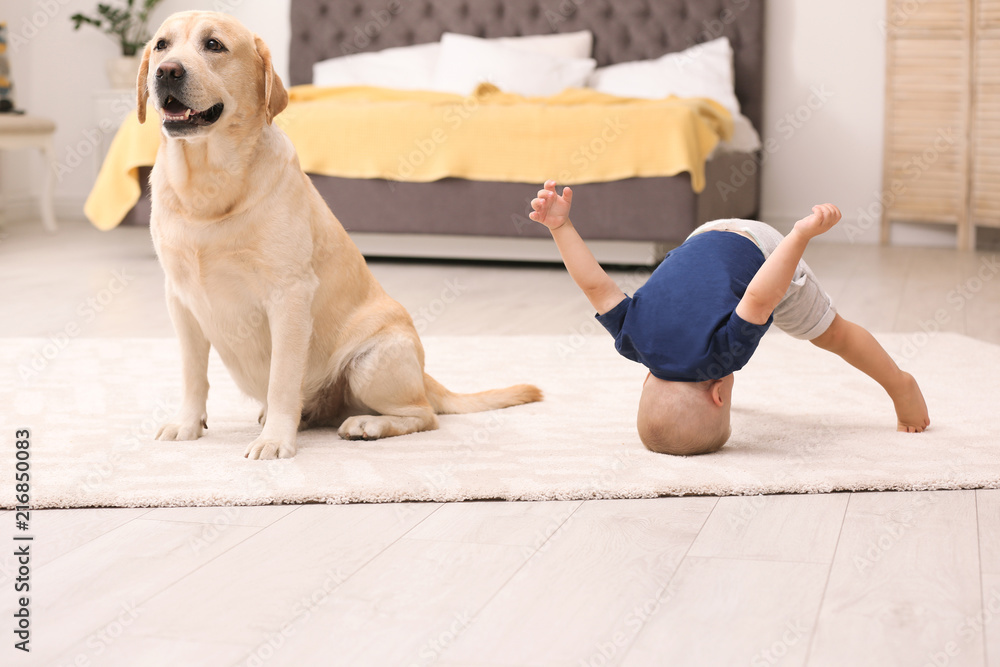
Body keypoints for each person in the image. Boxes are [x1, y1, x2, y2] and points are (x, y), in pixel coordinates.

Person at [529, 180, 930, 455]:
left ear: (719, 395)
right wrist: (561, 226)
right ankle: (898, 383)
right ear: (648, 377)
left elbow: (760, 295)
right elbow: (595, 287)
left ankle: (900, 385)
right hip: (703, 236)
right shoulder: (633, 340)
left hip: (763, 250)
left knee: (832, 334)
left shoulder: (723, 356)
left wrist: (799, 236)